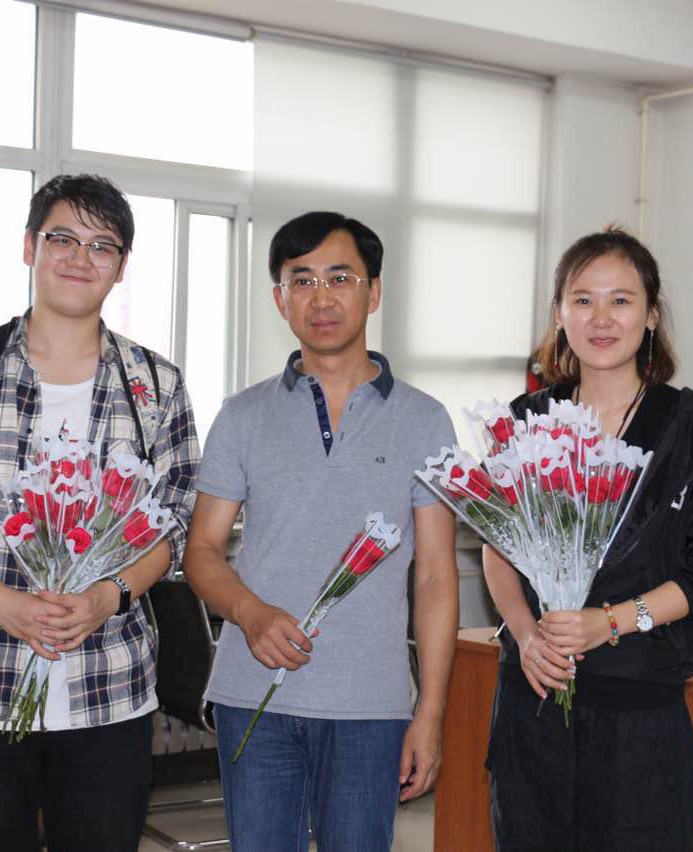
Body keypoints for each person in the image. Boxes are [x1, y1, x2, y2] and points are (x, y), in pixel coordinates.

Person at [0, 174, 199, 852]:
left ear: (121, 266)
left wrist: (109, 596)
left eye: (102, 245)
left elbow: (174, 522)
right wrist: (6, 605)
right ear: (30, 247)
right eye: (62, 239)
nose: (80, 258)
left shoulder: (155, 385)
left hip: (109, 688)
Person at [183, 211, 459, 851]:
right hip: (254, 696)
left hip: (370, 706)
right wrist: (250, 613)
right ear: (280, 299)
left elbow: (436, 575)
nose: (322, 297)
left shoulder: (425, 420)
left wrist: (431, 711)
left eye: (340, 278)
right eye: (301, 281)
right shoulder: (242, 415)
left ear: (374, 291)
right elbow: (201, 551)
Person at [482, 226, 693, 851]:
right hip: (533, 698)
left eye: (621, 300)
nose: (601, 318)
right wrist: (526, 636)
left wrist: (608, 623)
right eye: (582, 300)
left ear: (651, 315)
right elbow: (498, 545)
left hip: (639, 710)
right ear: (559, 314)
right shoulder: (527, 421)